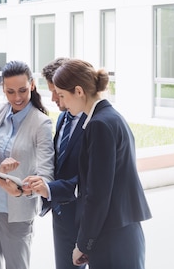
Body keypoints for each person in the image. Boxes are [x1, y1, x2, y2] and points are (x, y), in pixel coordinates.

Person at [52, 59, 152, 269]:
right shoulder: (112, 118)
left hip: (111, 237)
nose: (62, 103)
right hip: (122, 231)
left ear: (78, 91)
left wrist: (83, 244)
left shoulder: (99, 125)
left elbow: (98, 194)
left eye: (62, 95)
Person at [0, 60, 54, 269]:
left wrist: (20, 192)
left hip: (16, 213)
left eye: (22, 90)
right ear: (3, 89)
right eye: (10, 92)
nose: (17, 98)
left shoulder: (41, 123)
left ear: (32, 85)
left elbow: (46, 178)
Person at [25, 57, 87, 269]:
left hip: (87, 216)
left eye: (57, 92)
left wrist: (50, 189)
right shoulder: (62, 119)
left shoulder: (96, 123)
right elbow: (57, 163)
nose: (52, 99)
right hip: (62, 216)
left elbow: (92, 176)